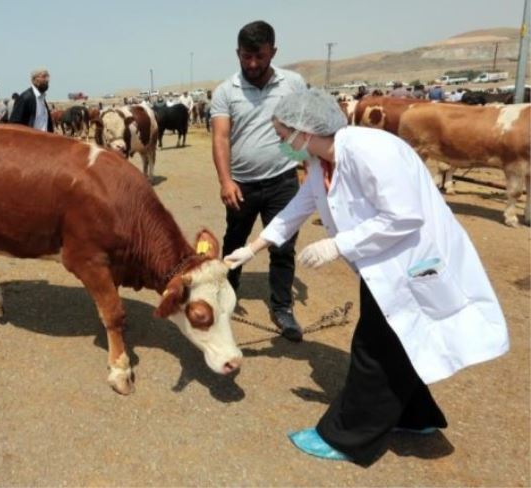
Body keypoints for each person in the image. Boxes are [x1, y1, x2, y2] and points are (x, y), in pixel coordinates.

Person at [224, 88, 509, 466]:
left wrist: (338, 245)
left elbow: (404, 216)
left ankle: (347, 437)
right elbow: (298, 207)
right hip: (383, 264)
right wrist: (255, 246)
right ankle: (415, 417)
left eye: (281, 135)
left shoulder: (370, 150)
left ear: (303, 130)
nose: (281, 144)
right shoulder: (320, 161)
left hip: (410, 261)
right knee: (398, 343)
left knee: (373, 350)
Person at [210, 20, 307, 341]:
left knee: (282, 246)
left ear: (273, 52)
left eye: (260, 57)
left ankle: (282, 308)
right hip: (242, 185)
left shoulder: (293, 83)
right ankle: (226, 296)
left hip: (283, 180)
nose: (252, 64)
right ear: (237, 53)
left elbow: (302, 127)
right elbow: (221, 138)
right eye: (245, 57)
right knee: (235, 242)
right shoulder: (226, 91)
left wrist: (304, 168)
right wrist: (226, 181)